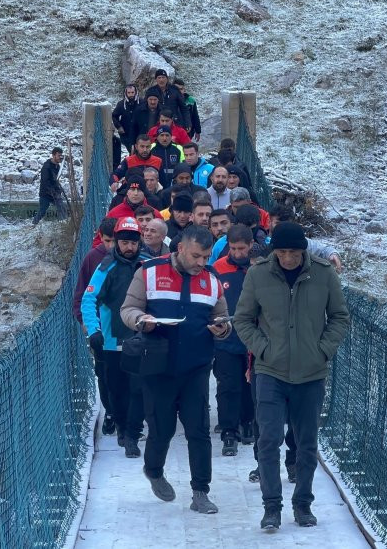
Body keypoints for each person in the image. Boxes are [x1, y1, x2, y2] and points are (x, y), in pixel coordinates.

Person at [235, 222, 350, 530]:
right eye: (282, 252)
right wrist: (263, 350)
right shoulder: (258, 275)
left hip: (311, 373)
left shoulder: (324, 275)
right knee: (269, 440)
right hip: (270, 372)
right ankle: (271, 506)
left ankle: (303, 504)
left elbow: (339, 316)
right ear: (275, 251)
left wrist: (322, 350)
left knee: (306, 443)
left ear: (304, 251)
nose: (288, 258)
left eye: (294, 252)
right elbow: (243, 319)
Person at [120, 225, 231, 514]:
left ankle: (200, 492)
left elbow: (222, 316)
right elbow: (128, 309)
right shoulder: (149, 271)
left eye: (206, 257)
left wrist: (222, 328)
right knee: (162, 429)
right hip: (158, 368)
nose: (200, 263)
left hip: (196, 367)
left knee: (199, 431)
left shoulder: (211, 279)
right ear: (180, 248)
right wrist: (141, 319)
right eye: (196, 256)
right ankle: (154, 470)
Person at [83, 218, 151, 458]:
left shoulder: (147, 265)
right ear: (117, 243)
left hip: (140, 338)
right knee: (117, 390)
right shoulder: (106, 267)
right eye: (124, 243)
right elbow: (88, 299)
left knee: (138, 388)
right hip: (111, 340)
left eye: (133, 243)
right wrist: (94, 330)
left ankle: (133, 433)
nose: (129, 247)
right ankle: (122, 427)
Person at [211, 225, 257, 457]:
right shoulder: (218, 268)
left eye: (242, 248)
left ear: (250, 246)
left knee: (251, 385)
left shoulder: (259, 267)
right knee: (228, 385)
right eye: (233, 248)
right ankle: (229, 431)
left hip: (254, 339)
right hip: (226, 338)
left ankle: (247, 422)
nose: (237, 253)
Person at [73, 217, 120, 435]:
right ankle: (110, 410)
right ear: (101, 238)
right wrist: (84, 320)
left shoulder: (129, 258)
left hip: (123, 327)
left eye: (115, 241)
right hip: (99, 328)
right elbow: (81, 291)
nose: (111, 246)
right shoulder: (93, 258)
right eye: (108, 241)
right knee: (104, 372)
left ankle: (126, 414)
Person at [269, 205, 343, 273]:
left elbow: (323, 250)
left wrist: (332, 255)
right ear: (270, 223)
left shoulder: (299, 243)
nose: (283, 228)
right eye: (278, 223)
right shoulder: (261, 240)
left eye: (287, 224)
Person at [33, 147, 68, 225]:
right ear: (53, 155)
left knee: (61, 206)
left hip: (54, 193)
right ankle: (34, 224)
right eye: (59, 155)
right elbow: (45, 182)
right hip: (45, 193)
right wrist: (53, 192)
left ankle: (64, 223)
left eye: (61, 156)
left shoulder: (58, 166)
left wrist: (58, 190)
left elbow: (55, 180)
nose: (60, 157)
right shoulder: (47, 167)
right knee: (42, 211)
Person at [112, 84, 140, 159]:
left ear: (136, 92)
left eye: (132, 92)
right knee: (131, 152)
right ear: (126, 93)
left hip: (139, 132)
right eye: (129, 93)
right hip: (126, 133)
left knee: (138, 152)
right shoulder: (121, 104)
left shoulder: (142, 103)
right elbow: (114, 116)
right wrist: (119, 126)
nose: (131, 95)